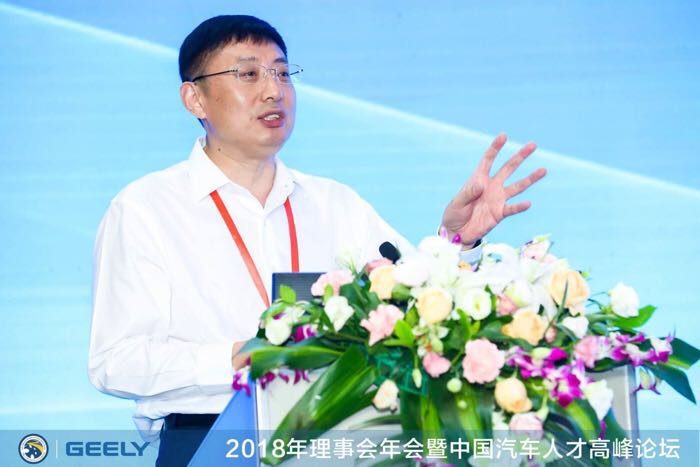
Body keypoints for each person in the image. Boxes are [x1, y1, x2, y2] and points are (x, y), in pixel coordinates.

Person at [87, 14, 546, 466]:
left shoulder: (334, 203)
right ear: (195, 98)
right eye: (248, 74)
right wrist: (238, 358)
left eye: (282, 73)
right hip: (209, 440)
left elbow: (415, 305)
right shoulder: (146, 209)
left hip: (337, 438)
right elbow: (115, 362)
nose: (274, 90)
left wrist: (457, 240)